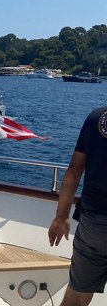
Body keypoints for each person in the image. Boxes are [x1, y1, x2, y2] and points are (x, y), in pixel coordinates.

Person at [48, 105, 107, 306]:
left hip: (94, 225)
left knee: (77, 297)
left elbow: (75, 168)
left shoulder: (97, 117)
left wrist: (62, 215)